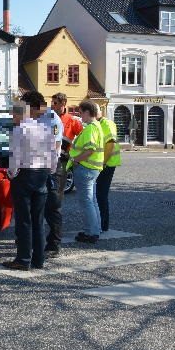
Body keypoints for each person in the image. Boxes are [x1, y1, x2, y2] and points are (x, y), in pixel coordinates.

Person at [2, 91, 57, 271]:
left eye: (13, 115)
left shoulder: (19, 130)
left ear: (19, 114)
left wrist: (11, 173)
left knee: (24, 220)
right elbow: (53, 153)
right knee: (38, 219)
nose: (13, 119)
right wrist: (50, 170)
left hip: (25, 174)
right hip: (42, 173)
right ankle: (38, 259)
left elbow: (14, 156)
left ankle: (23, 259)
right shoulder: (45, 128)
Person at [67, 100, 104, 244]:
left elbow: (90, 149)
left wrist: (76, 159)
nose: (79, 115)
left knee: (86, 202)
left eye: (81, 112)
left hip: (86, 168)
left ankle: (91, 232)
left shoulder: (90, 128)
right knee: (92, 201)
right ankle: (95, 229)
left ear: (88, 112)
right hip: (93, 168)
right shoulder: (97, 126)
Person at [39, 100, 64, 257]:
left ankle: (54, 244)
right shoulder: (37, 118)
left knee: (52, 208)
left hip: (51, 168)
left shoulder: (52, 119)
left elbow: (55, 144)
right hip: (40, 166)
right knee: (39, 207)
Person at [96, 108, 121, 233]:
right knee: (100, 194)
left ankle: (103, 224)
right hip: (106, 163)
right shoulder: (102, 123)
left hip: (107, 164)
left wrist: (103, 163)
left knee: (101, 195)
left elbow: (110, 143)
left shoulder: (106, 124)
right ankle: (102, 223)